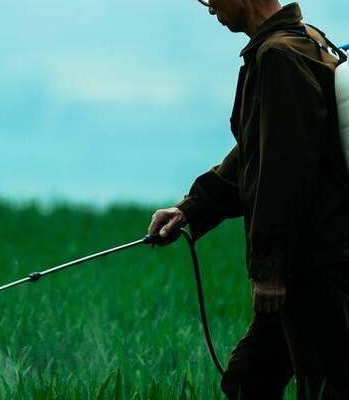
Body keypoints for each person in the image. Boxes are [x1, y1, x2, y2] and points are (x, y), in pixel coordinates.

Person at [147, 1, 349, 399]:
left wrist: (269, 270)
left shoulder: (279, 56)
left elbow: (283, 171)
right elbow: (254, 154)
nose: (210, 10)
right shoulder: (306, 42)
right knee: (248, 380)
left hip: (312, 270)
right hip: (314, 260)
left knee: (324, 387)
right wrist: (190, 209)